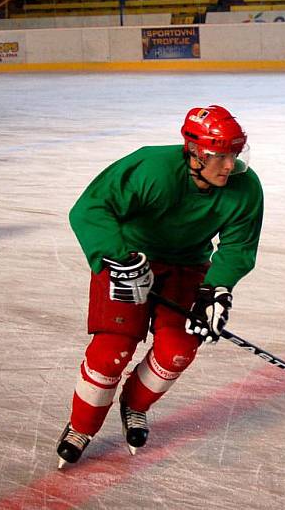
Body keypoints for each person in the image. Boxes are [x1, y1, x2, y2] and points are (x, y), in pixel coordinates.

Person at [55, 105, 264, 468]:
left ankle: (134, 405)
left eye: (234, 154)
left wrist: (216, 288)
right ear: (194, 153)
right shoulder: (151, 168)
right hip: (127, 259)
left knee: (178, 350)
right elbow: (90, 209)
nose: (229, 166)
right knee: (112, 352)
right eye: (219, 156)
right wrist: (117, 256)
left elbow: (238, 247)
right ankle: (81, 426)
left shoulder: (245, 188)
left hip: (187, 267)